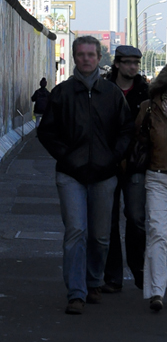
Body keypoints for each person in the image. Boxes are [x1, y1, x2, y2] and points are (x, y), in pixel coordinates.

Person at [37, 36, 134, 315]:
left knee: (101, 236)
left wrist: (113, 157)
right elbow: (46, 132)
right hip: (71, 175)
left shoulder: (112, 94)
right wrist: (67, 157)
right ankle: (76, 292)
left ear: (99, 57)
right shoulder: (63, 93)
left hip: (105, 175)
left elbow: (126, 130)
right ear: (74, 57)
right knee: (76, 230)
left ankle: (94, 281)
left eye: (91, 54)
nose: (86, 59)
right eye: (81, 54)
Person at [103, 45, 149, 293]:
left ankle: (138, 268)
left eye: (137, 63)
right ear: (118, 64)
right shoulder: (104, 90)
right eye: (129, 62)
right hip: (108, 164)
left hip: (135, 165)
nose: (133, 67)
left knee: (136, 218)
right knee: (108, 222)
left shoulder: (146, 92)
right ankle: (113, 277)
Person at [138, 65, 167, 312]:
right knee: (158, 232)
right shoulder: (149, 108)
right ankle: (157, 292)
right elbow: (136, 139)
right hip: (156, 178)